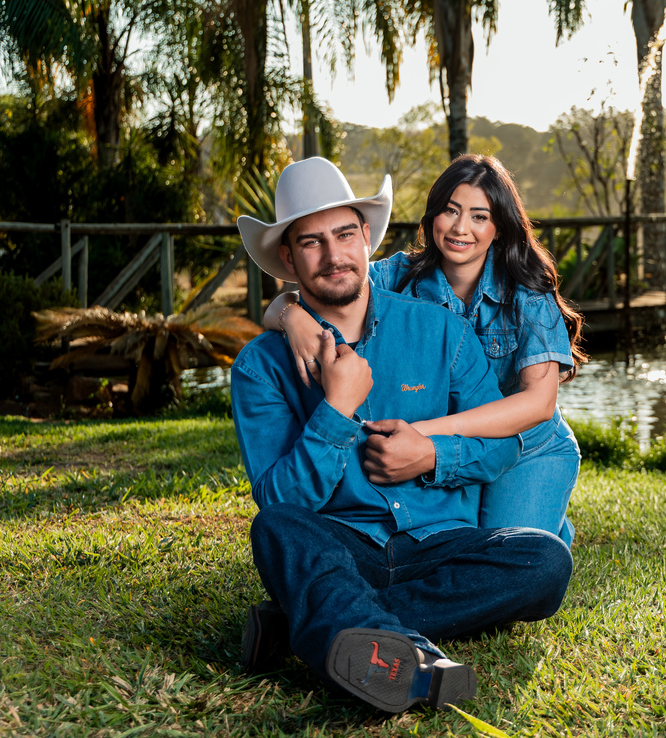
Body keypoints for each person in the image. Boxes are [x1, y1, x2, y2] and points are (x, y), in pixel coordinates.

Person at [231, 157, 573, 713]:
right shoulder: (260, 367)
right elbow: (281, 500)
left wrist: (431, 454)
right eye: (312, 242)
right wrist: (336, 409)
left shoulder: (445, 327)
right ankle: (404, 654)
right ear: (289, 259)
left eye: (345, 234)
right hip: (347, 541)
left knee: (545, 560)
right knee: (278, 529)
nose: (334, 254)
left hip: (446, 533)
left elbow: (508, 440)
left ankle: (312, 625)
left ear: (366, 238)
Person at [265, 154, 586, 545]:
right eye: (450, 211)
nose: (460, 228)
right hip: (454, 448)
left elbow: (539, 404)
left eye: (479, 216)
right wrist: (291, 315)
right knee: (464, 553)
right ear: (433, 216)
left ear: (499, 227)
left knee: (509, 553)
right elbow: (332, 285)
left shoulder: (527, 290)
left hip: (525, 445)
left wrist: (423, 435)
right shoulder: (398, 276)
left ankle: (546, 520)